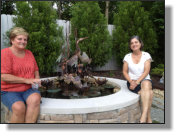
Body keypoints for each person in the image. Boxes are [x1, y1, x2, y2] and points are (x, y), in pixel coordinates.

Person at [1, 27, 41, 123]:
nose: (23, 41)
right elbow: (4, 76)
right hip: (9, 90)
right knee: (19, 108)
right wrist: (26, 80)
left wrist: (37, 79)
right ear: (12, 40)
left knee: (35, 99)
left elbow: (36, 69)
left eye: (25, 39)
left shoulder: (29, 53)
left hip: (28, 89)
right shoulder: (5, 53)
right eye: (19, 39)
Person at [122, 35, 153, 123]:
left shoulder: (146, 55)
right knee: (149, 93)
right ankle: (149, 118)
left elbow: (146, 71)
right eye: (132, 43)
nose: (134, 44)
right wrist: (132, 82)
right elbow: (124, 72)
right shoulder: (127, 57)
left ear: (140, 43)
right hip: (131, 82)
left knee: (146, 84)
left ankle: (143, 116)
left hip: (144, 80)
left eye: (136, 42)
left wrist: (137, 82)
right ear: (130, 46)